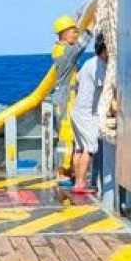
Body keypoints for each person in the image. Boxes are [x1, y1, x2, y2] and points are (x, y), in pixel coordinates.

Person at [68, 32, 107, 197]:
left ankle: (78, 180)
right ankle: (80, 183)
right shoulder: (100, 66)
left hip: (76, 111)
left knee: (79, 148)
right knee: (89, 149)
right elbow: (106, 88)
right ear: (105, 49)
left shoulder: (88, 63)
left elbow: (77, 79)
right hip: (88, 114)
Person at [49, 14, 86, 181]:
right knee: (66, 135)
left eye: (76, 31)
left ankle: (66, 169)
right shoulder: (64, 51)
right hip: (65, 98)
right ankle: (63, 171)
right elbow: (79, 48)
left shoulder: (61, 49)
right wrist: (90, 27)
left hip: (67, 96)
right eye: (72, 31)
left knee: (68, 135)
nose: (75, 34)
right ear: (62, 34)